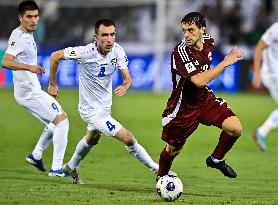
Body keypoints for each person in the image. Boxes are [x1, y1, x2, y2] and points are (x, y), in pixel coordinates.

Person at [48, 18, 163, 184]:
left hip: (105, 108)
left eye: (112, 35)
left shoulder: (117, 51)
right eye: (104, 35)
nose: (109, 39)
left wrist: (125, 85)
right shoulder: (84, 52)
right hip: (90, 111)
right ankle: (158, 170)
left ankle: (71, 166)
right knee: (128, 138)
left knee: (93, 138)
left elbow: (128, 79)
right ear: (96, 37)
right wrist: (52, 84)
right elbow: (54, 56)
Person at [156, 12, 243, 180]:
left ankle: (216, 159)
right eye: (184, 31)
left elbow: (202, 82)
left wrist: (233, 53)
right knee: (174, 149)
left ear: (202, 29)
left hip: (204, 99)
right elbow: (198, 81)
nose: (187, 35)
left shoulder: (209, 41)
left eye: (191, 30)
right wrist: (225, 62)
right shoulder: (180, 52)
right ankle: (161, 178)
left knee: (235, 128)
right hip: (183, 107)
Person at [2, 0, 69, 177]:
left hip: (29, 90)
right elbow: (5, 61)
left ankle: (36, 155)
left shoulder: (25, 34)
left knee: (54, 124)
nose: (33, 20)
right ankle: (56, 169)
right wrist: (30, 67)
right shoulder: (20, 37)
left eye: (36, 16)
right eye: (29, 17)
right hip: (29, 92)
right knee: (62, 120)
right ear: (20, 18)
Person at [252, 21, 278, 152]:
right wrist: (257, 72)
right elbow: (259, 47)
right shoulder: (276, 28)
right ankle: (261, 132)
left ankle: (261, 132)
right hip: (272, 74)